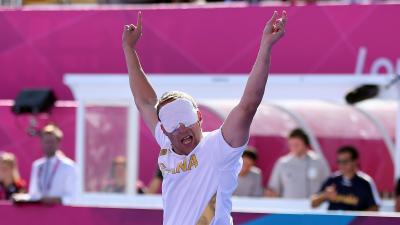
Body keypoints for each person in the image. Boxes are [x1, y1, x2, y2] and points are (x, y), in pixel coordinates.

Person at [122, 10, 287, 225]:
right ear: (163, 129)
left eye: (185, 116)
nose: (181, 126)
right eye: (172, 122)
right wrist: (129, 49)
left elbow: (248, 106)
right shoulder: (166, 143)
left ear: (199, 117)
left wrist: (266, 46)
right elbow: (145, 102)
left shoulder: (218, 147)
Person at [14, 124, 77, 205]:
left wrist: (54, 200)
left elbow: (72, 198)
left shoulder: (69, 166)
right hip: (40, 213)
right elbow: (34, 194)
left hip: (60, 213)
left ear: (58, 143)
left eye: (52, 142)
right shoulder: (37, 165)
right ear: (41, 143)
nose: (49, 145)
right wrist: (23, 198)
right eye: (46, 142)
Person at [311, 146, 381, 211]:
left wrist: (357, 219)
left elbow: (375, 207)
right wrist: (325, 195)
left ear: (355, 161)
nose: (341, 165)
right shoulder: (332, 180)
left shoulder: (365, 182)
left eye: (345, 161)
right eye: (339, 162)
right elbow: (313, 204)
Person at [266, 128, 329, 198]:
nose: (294, 147)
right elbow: (274, 188)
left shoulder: (318, 162)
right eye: (291, 144)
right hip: (289, 207)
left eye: (297, 144)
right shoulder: (283, 163)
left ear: (306, 143)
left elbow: (327, 187)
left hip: (313, 208)